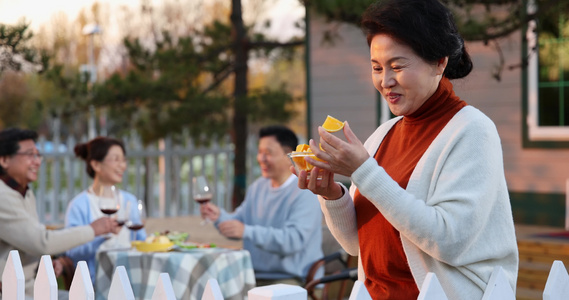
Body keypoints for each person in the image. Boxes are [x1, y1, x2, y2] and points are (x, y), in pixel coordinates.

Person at [294, 0, 519, 299]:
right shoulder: (383, 135)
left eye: (397, 66)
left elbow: (448, 239)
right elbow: (355, 245)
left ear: (439, 62)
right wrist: (332, 195)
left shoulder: (472, 130)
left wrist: (363, 171)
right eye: (376, 68)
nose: (385, 81)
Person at [0, 128, 120, 298]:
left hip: (30, 287)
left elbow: (29, 240)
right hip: (11, 291)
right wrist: (93, 230)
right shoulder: (3, 197)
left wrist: (49, 261)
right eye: (29, 155)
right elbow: (42, 242)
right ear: (4, 160)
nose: (37, 161)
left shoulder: (25, 193)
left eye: (38, 155)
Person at [201, 125, 324, 286]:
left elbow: (292, 241)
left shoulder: (305, 191)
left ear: (289, 155)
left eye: (268, 153)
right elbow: (239, 223)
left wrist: (247, 231)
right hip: (251, 274)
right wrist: (218, 217)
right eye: (260, 152)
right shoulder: (258, 187)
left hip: (292, 279)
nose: (261, 158)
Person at [64, 136, 146, 283]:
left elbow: (141, 241)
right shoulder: (79, 205)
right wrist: (101, 236)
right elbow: (72, 252)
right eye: (116, 159)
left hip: (133, 278)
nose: (123, 166)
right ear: (96, 164)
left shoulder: (130, 201)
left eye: (123, 160)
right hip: (95, 284)